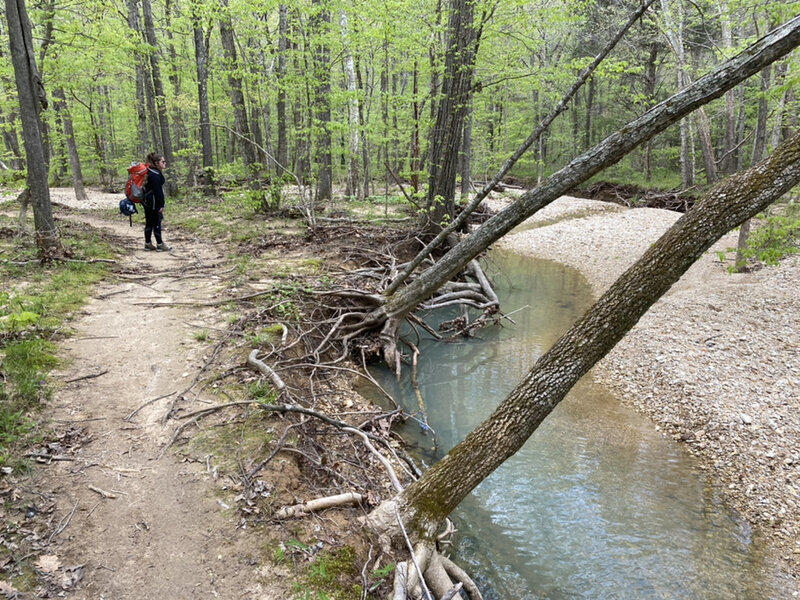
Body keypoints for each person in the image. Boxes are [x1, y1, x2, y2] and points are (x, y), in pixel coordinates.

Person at [142, 152, 172, 251]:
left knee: (149, 222)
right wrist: (161, 205)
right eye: (163, 162)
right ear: (156, 163)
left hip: (147, 201)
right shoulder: (155, 175)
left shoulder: (150, 172)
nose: (165, 163)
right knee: (157, 222)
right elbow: (158, 192)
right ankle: (159, 244)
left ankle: (148, 244)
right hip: (154, 202)